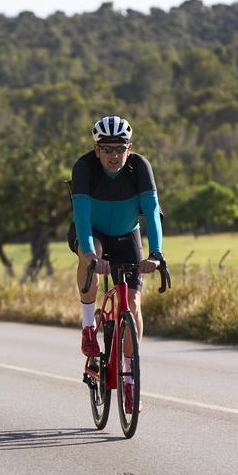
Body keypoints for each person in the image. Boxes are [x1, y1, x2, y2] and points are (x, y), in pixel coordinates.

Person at [68, 115, 164, 412]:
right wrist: (90, 255)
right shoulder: (84, 167)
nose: (113, 155)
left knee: (133, 305)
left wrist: (157, 253)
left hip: (126, 235)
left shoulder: (140, 167)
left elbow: (152, 211)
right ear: (96, 150)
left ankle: (129, 378)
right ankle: (87, 326)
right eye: (106, 149)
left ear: (129, 147)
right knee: (91, 250)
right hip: (92, 233)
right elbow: (82, 218)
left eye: (119, 148)